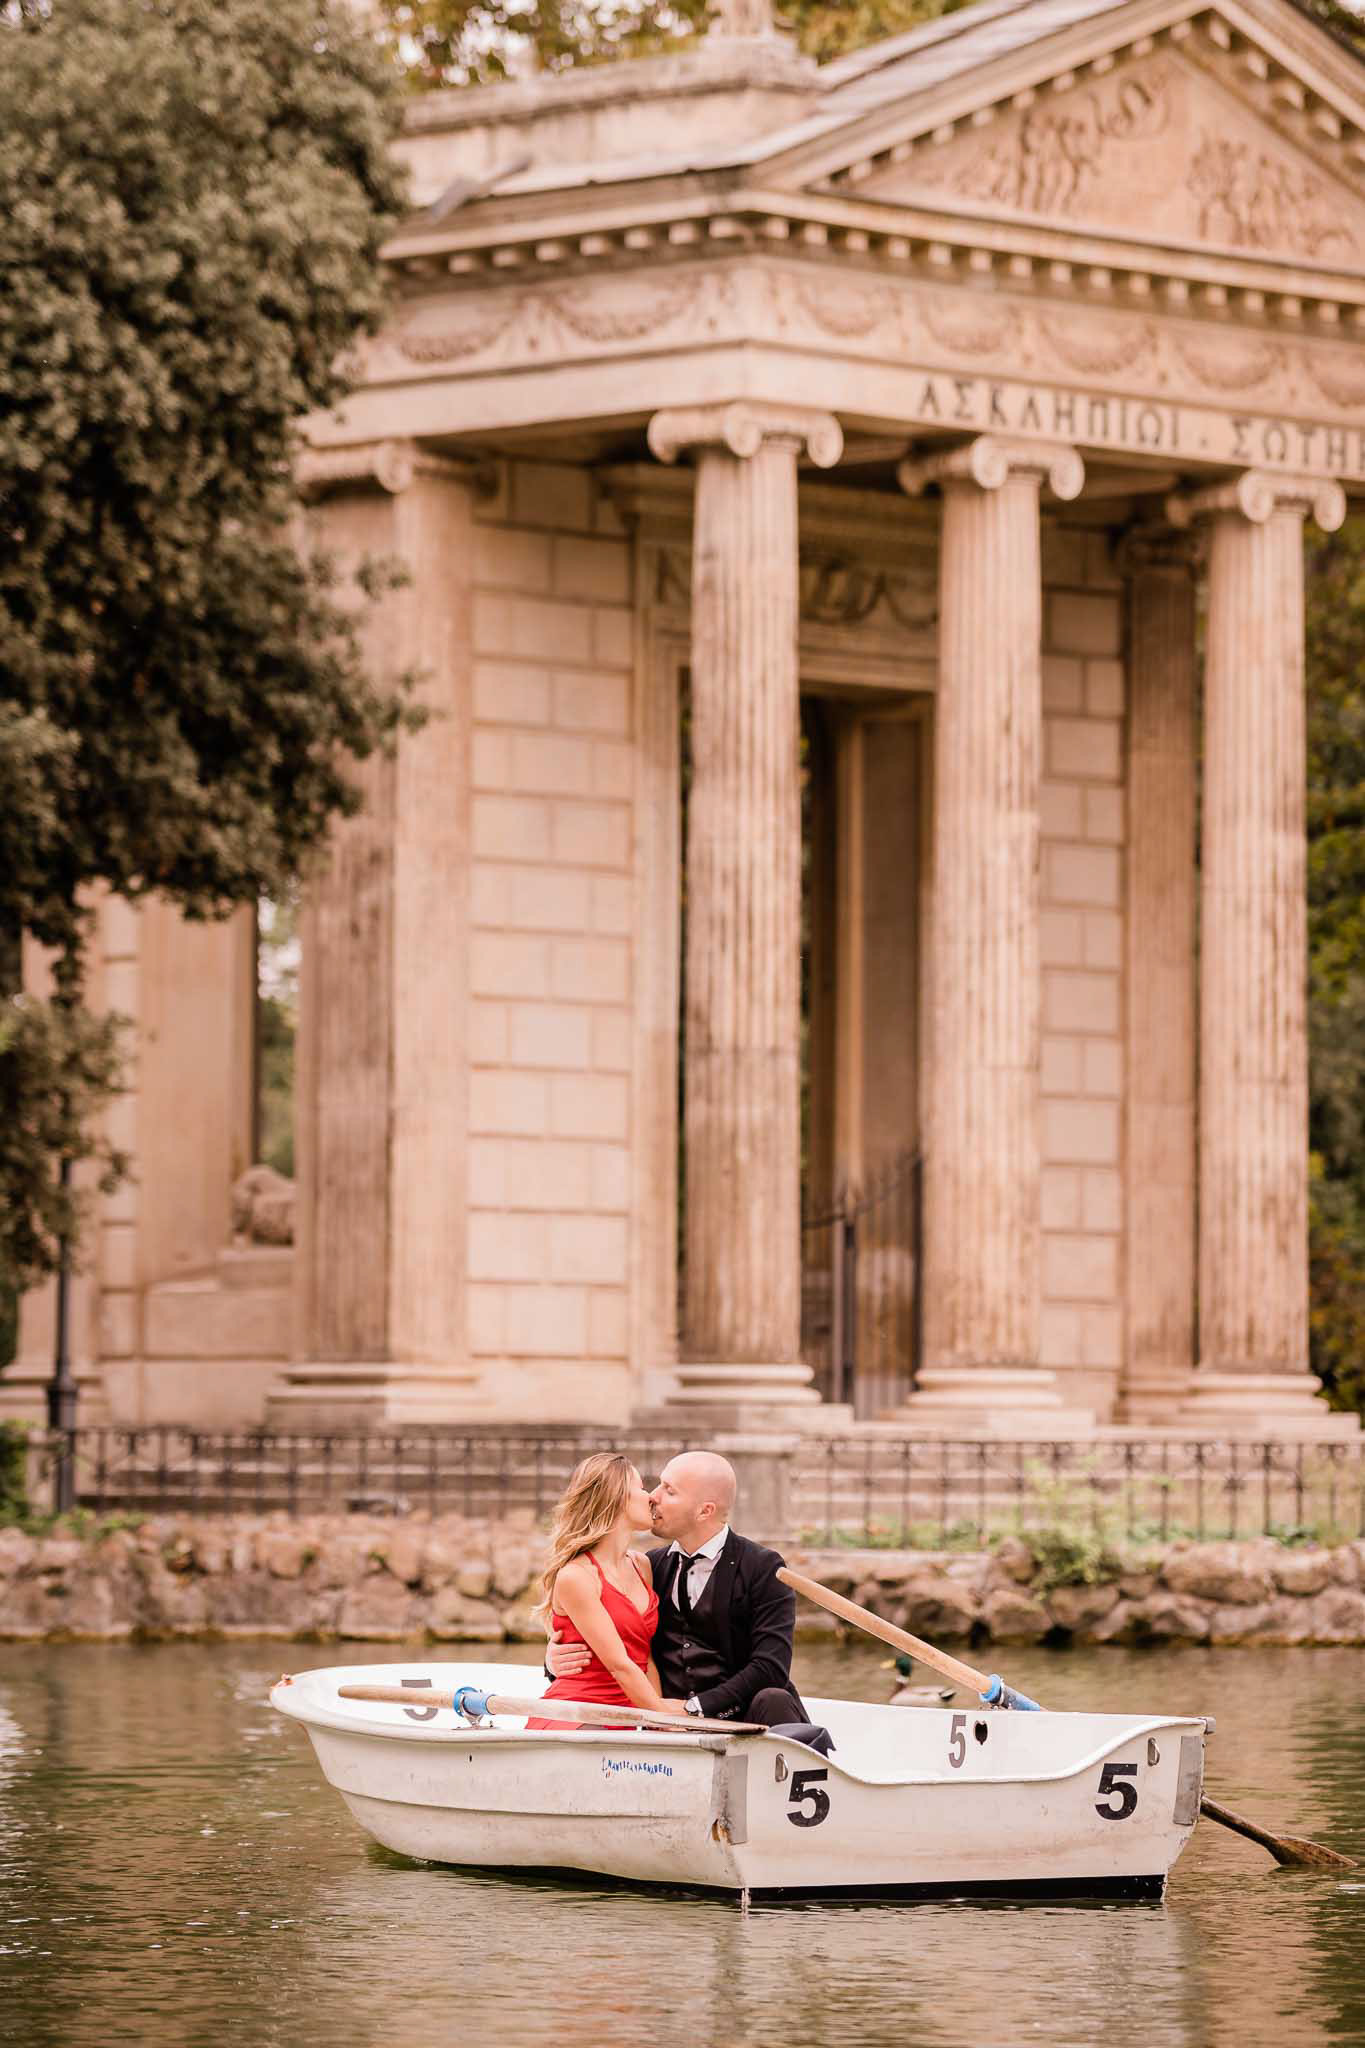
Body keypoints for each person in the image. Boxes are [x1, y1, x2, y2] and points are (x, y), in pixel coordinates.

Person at [547, 1449, 831, 1749]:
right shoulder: (652, 1565)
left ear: (704, 1511)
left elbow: (770, 1667)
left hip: (738, 1715)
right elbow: (611, 1636)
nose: (653, 1497)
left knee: (774, 1697)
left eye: (669, 1490)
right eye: (653, 1486)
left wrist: (693, 1709)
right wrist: (552, 1657)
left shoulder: (763, 1568)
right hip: (669, 1718)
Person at [524, 1452, 678, 1730]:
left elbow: (646, 1658)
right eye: (641, 1488)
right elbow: (620, 1664)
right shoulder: (576, 1576)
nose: (651, 1497)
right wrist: (669, 1724)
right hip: (579, 1712)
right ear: (618, 1498)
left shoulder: (642, 1566)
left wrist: (658, 1723)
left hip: (632, 1711)